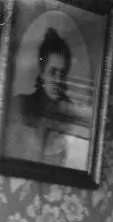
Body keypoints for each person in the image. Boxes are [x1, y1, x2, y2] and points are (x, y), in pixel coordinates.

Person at [5, 28, 75, 165]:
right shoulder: (22, 104)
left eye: (62, 74)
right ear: (42, 73)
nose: (58, 80)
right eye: (53, 72)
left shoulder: (69, 114)